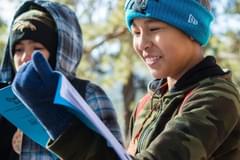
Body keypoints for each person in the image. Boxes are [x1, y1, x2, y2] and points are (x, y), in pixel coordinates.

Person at [11, 0, 240, 160]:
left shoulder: (217, 98)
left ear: (192, 29)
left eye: (154, 28)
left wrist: (59, 123)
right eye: (136, 32)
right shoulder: (147, 104)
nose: (142, 44)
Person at [0, 0, 123, 159]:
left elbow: (114, 156)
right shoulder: (6, 103)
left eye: (37, 49)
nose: (24, 58)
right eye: (18, 49)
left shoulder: (88, 95)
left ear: (60, 51)